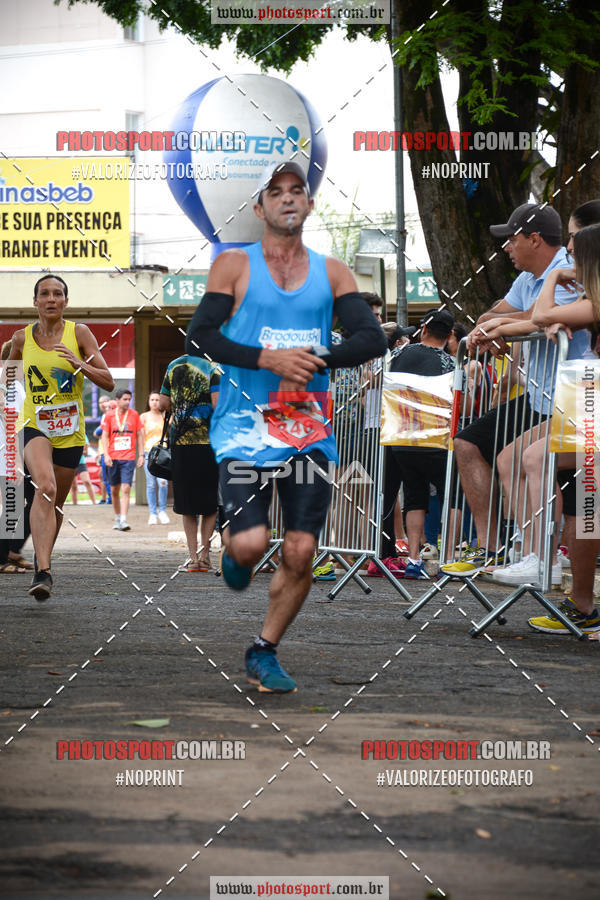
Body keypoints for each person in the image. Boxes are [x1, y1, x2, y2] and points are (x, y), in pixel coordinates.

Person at [186, 160, 386, 693]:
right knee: (251, 546)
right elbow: (200, 337)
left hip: (306, 429)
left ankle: (264, 650)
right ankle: (234, 551)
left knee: (300, 550)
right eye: (276, 192)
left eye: (297, 191)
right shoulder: (233, 265)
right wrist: (268, 360)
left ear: (309, 204)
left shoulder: (333, 271)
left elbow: (371, 339)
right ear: (259, 207)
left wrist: (316, 356)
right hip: (244, 426)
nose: (288, 199)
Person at [441, 203, 590, 575]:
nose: (505, 247)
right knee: (498, 452)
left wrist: (501, 328)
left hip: (576, 398)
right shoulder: (534, 278)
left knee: (568, 487)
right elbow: (500, 314)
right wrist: (491, 326)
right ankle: (525, 555)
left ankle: (546, 560)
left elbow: (539, 317)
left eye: (511, 238)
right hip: (554, 397)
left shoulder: (568, 274)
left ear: (534, 239)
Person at [493, 220, 600, 633]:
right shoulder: (590, 301)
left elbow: (540, 314)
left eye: (573, 253)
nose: (567, 258)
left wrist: (553, 275)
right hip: (585, 398)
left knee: (538, 459)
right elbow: (540, 318)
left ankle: (545, 560)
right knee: (586, 502)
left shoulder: (593, 302)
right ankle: (582, 604)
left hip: (589, 398)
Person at [7, 274, 114, 599]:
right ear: (35, 301)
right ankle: (45, 572)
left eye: (57, 294)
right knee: (45, 487)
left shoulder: (79, 333)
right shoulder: (21, 338)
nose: (51, 299)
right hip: (34, 425)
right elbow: (7, 376)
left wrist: (80, 364)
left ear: (65, 301)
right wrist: (3, 399)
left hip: (69, 432)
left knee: (54, 504)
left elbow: (108, 381)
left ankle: (42, 567)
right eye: (45, 294)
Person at [380, 308, 456, 579]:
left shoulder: (398, 355)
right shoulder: (450, 363)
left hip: (400, 438)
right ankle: (449, 557)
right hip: (435, 439)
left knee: (414, 496)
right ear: (448, 335)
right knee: (452, 495)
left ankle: (412, 559)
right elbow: (458, 402)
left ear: (423, 328)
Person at [159, 355, 220, 571]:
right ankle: (205, 555)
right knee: (210, 503)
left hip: (181, 443)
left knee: (187, 503)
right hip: (208, 442)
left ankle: (192, 559)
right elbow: (216, 403)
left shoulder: (173, 365)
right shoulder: (213, 368)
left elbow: (164, 403)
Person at [101, 389, 144, 531]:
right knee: (114, 490)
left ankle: (124, 520)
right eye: (125, 399)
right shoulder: (109, 416)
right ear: (117, 400)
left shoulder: (134, 415)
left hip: (128, 457)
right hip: (113, 457)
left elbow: (139, 435)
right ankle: (117, 517)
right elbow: (105, 436)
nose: (127, 402)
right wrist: (106, 455)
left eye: (129, 399)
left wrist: (142, 455)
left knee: (126, 488)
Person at [140, 391, 170, 525]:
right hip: (148, 453)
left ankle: (162, 510)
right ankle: (152, 513)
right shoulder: (143, 417)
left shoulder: (165, 416)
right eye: (152, 399)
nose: (155, 402)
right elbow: (140, 438)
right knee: (151, 484)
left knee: (163, 483)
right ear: (148, 401)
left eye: (157, 399)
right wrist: (141, 455)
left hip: (163, 454)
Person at [94, 394, 113, 504]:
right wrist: (98, 451)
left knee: (106, 475)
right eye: (100, 402)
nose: (102, 404)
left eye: (104, 402)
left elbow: (97, 433)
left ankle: (110, 498)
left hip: (108, 450)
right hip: (102, 450)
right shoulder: (103, 416)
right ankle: (104, 498)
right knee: (102, 475)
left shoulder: (109, 416)